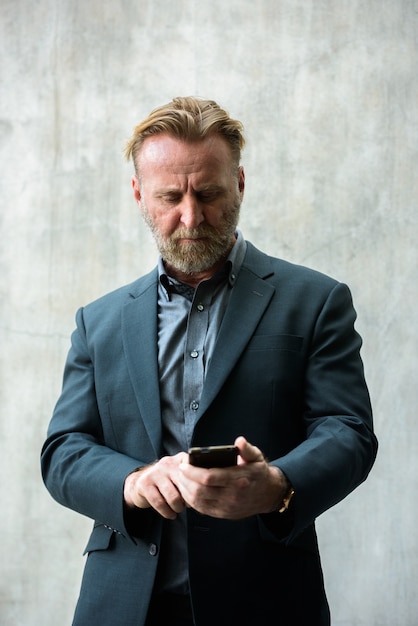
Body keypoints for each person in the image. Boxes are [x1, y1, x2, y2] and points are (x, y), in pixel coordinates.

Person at [41, 96, 378, 626]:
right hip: (123, 605)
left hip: (266, 601)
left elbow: (349, 431)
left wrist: (278, 484)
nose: (191, 216)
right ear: (138, 195)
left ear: (239, 184)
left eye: (211, 193)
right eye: (170, 196)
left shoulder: (317, 301)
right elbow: (63, 450)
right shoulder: (97, 320)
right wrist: (130, 483)